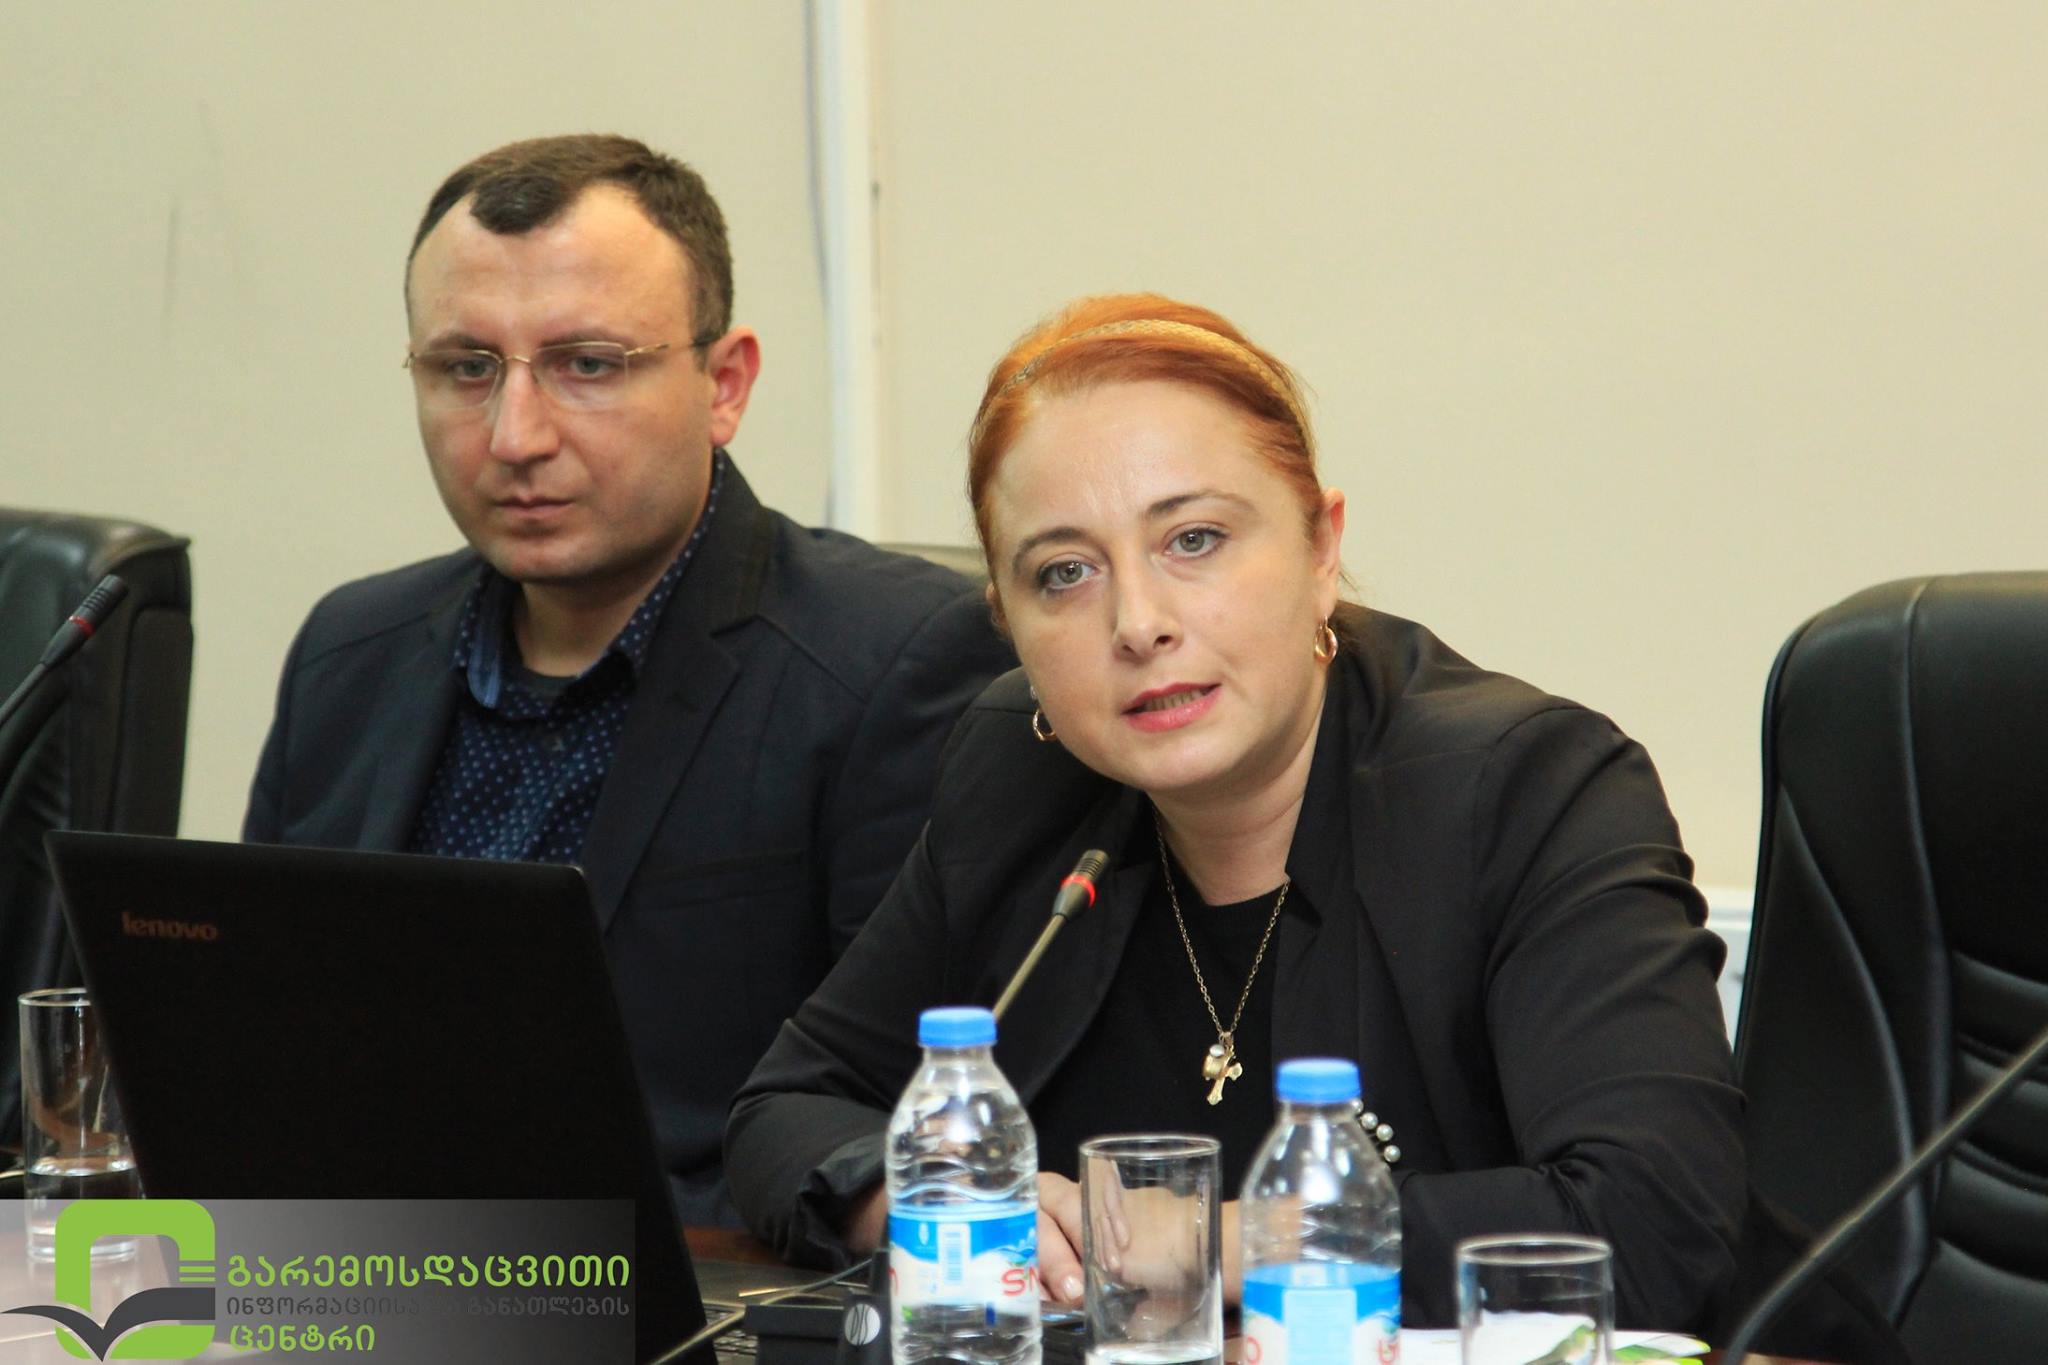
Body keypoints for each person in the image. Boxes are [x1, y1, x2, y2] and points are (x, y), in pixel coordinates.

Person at [724, 294, 1746, 1328]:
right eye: (1064, 573)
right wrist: (944, 1203)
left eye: (1195, 539)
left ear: (1320, 549)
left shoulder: (1526, 787)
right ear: (1007, 623)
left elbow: (1653, 1219)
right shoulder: (1016, 775)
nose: (1137, 623)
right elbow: (787, 1109)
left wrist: (1199, 1243)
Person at [243, 134, 1011, 1226]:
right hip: (337, 1276)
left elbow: (910, 1119)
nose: (515, 436)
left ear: (724, 384)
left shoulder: (895, 662)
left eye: (588, 365)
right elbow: (247, 1051)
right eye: (466, 368)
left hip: (677, 1285)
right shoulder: (348, 652)